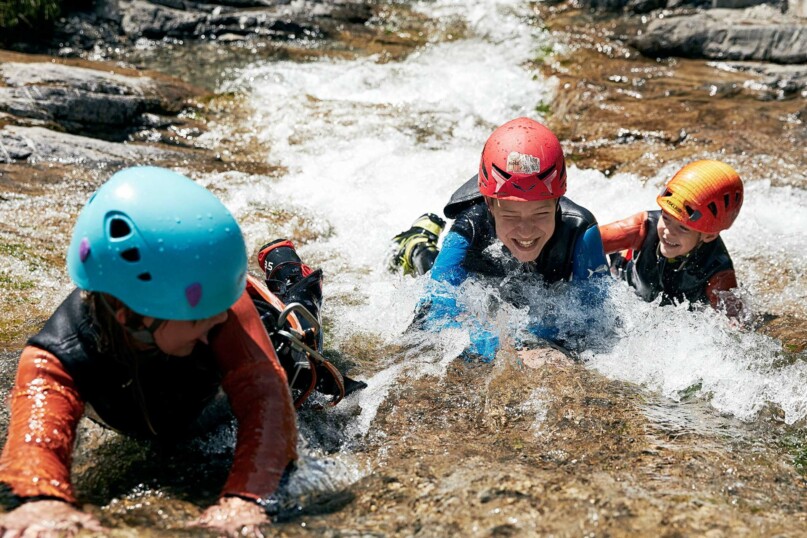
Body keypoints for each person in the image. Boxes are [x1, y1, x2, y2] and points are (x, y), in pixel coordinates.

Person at [0, 167, 298, 536]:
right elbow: (33, 458)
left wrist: (246, 500)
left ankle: (288, 272)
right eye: (199, 317)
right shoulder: (56, 357)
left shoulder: (224, 313)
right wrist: (44, 502)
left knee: (298, 345)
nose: (219, 318)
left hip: (258, 319)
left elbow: (266, 403)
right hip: (178, 333)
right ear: (131, 317)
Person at [389, 117, 609, 362]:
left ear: (557, 203)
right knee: (430, 272)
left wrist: (554, 348)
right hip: (477, 279)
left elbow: (598, 323)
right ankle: (417, 243)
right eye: (511, 215)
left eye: (541, 213)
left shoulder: (580, 229)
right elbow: (434, 318)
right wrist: (511, 346)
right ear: (490, 206)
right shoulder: (470, 227)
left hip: (525, 303)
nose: (526, 232)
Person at [598, 159, 744, 318]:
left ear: (709, 235)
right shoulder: (643, 228)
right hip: (622, 280)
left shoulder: (717, 270)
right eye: (666, 218)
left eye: (683, 228)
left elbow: (736, 325)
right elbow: (583, 241)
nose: (668, 232)